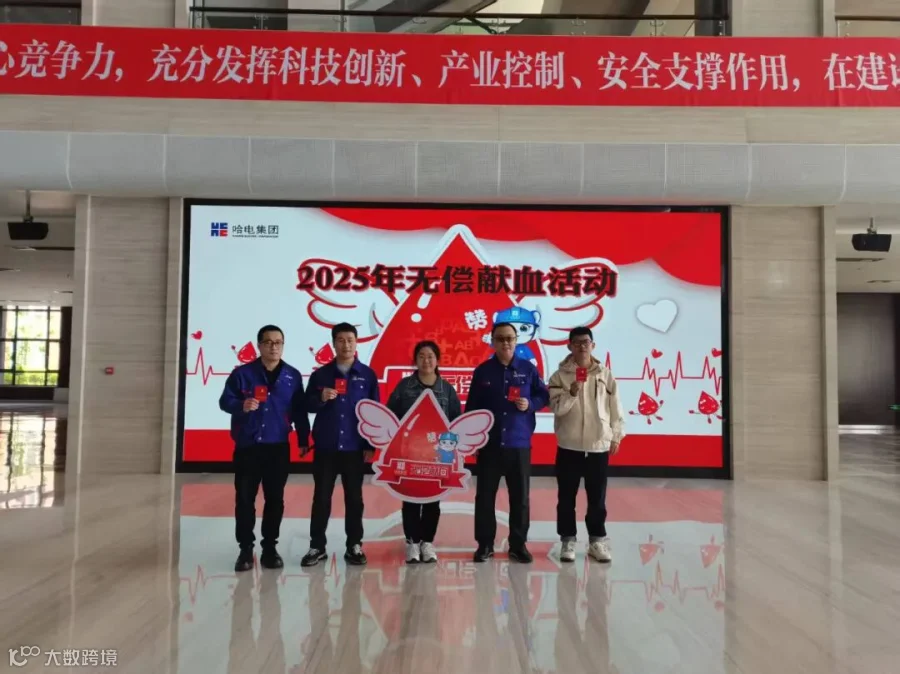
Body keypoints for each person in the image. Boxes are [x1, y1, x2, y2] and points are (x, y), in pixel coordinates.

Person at [218, 325, 310, 572]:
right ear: (259, 345)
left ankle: (270, 547)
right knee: (244, 499)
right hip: (248, 446)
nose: (273, 347)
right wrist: (241, 405)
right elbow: (224, 401)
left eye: (278, 342)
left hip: (277, 447)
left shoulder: (292, 376)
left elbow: (299, 411)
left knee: (275, 499)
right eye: (268, 342)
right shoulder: (242, 374)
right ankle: (245, 549)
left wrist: (303, 438)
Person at [466, 321, 550, 563]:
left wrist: (530, 404)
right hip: (489, 445)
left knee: (520, 498)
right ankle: (485, 545)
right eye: (500, 338)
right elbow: (472, 408)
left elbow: (543, 395)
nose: (505, 343)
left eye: (510, 338)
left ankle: (518, 545)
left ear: (516, 341)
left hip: (518, 443)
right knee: (485, 498)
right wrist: (473, 442)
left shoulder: (528, 369)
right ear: (493, 342)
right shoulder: (483, 372)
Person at [301, 322, 379, 567]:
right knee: (321, 497)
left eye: (350, 340)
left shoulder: (367, 375)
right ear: (334, 343)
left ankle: (354, 545)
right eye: (341, 340)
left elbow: (374, 412)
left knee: (354, 499)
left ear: (357, 343)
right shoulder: (321, 375)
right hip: (326, 447)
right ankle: (317, 546)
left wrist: (370, 445)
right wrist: (321, 398)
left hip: (354, 448)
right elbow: (307, 405)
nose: (346, 345)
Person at [547, 326, 625, 563]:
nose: (582, 346)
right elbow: (557, 409)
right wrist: (571, 393)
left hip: (597, 445)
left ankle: (596, 541)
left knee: (597, 498)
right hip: (569, 446)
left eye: (586, 342)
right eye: (577, 342)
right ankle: (567, 540)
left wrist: (616, 435)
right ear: (569, 346)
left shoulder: (605, 375)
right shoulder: (559, 376)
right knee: (566, 497)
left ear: (593, 345)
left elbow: (615, 407)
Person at [386, 340, 462, 564]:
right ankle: (412, 542)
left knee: (432, 499)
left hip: (437, 456)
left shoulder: (446, 389)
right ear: (415, 360)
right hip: (409, 454)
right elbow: (391, 415)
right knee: (410, 497)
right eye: (421, 356)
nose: (426, 360)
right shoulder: (404, 387)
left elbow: (456, 420)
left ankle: (427, 542)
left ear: (437, 360)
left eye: (430, 356)